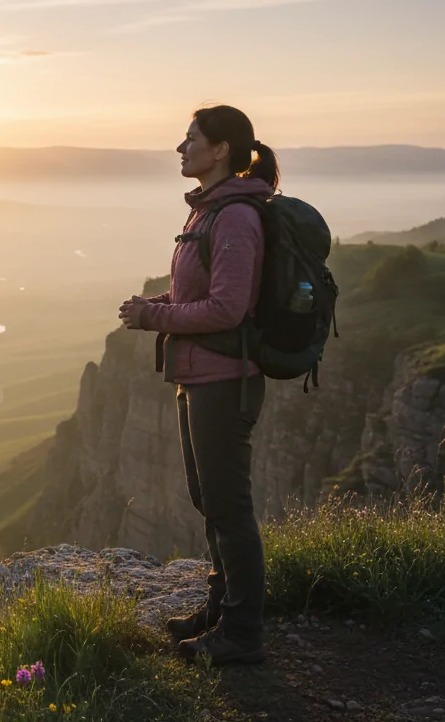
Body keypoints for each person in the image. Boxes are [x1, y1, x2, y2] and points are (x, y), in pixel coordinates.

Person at [117, 104, 278, 665]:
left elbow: (230, 308)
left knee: (229, 508)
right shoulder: (206, 212)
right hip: (199, 377)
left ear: (221, 151)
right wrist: (153, 304)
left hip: (223, 382)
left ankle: (243, 635)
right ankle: (221, 606)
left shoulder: (233, 216)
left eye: (191, 140)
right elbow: (196, 296)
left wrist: (155, 319)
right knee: (208, 500)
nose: (181, 149)